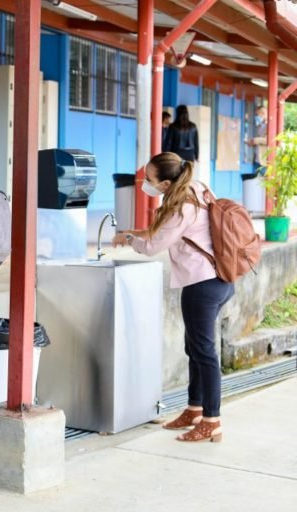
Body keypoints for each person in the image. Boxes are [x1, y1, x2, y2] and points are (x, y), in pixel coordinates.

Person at [112, 152, 234, 443]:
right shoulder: (197, 188)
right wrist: (132, 232)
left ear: (165, 183)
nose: (145, 183)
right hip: (219, 279)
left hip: (202, 285)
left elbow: (153, 245)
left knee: (204, 353)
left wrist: (129, 240)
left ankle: (212, 421)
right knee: (194, 348)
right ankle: (194, 409)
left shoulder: (182, 206)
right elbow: (165, 232)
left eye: (149, 179)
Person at [247, 105, 268, 173]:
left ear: (263, 113)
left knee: (264, 181)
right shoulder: (260, 125)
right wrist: (252, 142)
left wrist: (255, 140)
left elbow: (268, 140)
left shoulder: (269, 125)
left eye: (257, 114)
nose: (257, 117)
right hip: (256, 159)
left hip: (263, 161)